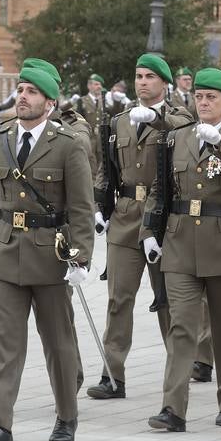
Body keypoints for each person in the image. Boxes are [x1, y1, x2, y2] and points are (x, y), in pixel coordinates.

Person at [0, 64, 94, 441]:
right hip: (6, 252)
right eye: (21, 89)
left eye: (32, 92)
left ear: (49, 102)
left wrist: (80, 258)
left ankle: (67, 415)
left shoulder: (69, 143)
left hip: (51, 254)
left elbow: (82, 207)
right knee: (6, 344)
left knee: (58, 341)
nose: (23, 96)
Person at [145, 67, 221, 432]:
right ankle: (173, 409)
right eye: (199, 96)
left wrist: (219, 142)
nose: (204, 102)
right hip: (180, 243)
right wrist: (149, 230)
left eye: (212, 97)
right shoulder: (177, 137)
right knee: (182, 325)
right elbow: (160, 187)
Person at [87, 54, 193, 401]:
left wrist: (158, 121)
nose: (143, 82)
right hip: (125, 214)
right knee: (119, 298)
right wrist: (101, 207)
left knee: (167, 300)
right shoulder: (120, 121)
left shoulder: (179, 119)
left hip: (161, 217)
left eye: (150, 77)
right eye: (138, 76)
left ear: (165, 83)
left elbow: (183, 140)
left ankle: (177, 376)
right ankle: (111, 375)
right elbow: (107, 169)